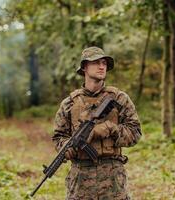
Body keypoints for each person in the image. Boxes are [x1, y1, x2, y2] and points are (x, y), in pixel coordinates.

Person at [52, 46, 142, 200]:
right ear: (85, 67)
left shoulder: (119, 99)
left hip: (113, 181)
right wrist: (66, 147)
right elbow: (58, 137)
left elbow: (135, 133)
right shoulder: (69, 104)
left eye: (104, 63)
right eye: (96, 63)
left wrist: (109, 128)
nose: (102, 66)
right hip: (80, 182)